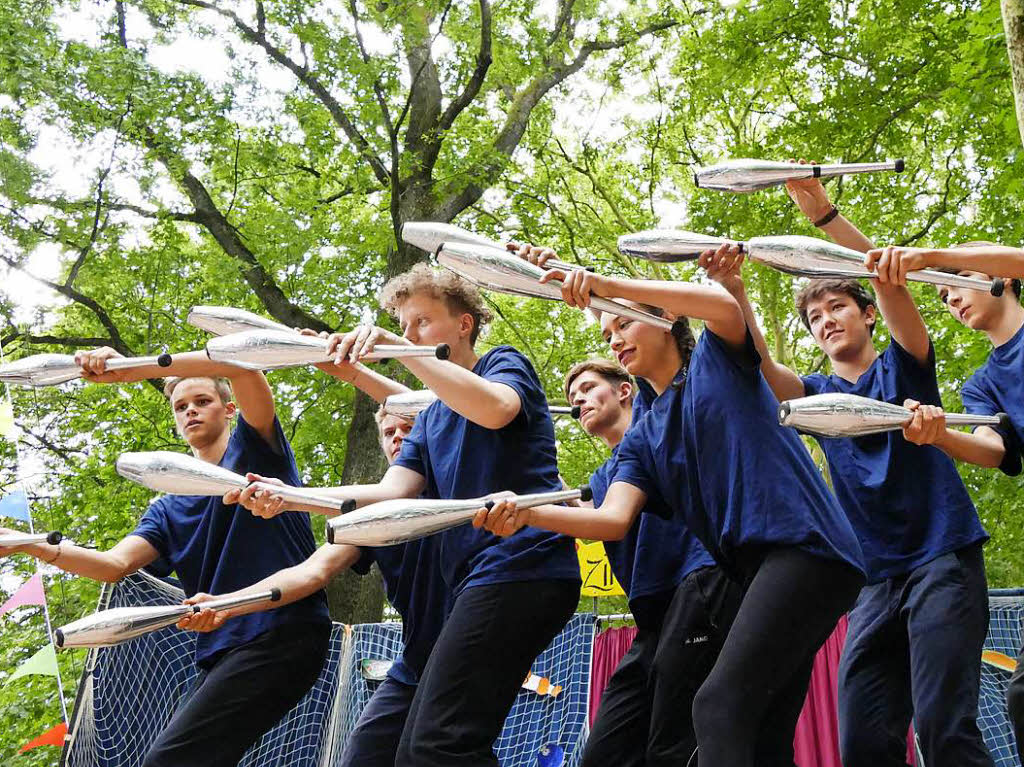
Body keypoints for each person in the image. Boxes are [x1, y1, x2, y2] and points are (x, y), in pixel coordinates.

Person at [475, 262, 865, 767]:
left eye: (623, 322)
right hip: (757, 574)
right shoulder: (642, 437)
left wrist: (604, 288)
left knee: (717, 706)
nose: (614, 339)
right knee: (763, 737)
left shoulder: (717, 359)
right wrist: (529, 515)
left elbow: (725, 307)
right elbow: (611, 519)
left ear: (666, 316)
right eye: (607, 332)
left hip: (807, 549)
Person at [699, 167, 994, 767]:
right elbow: (758, 369)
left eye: (839, 306)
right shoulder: (814, 398)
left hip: (943, 561)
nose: (828, 319)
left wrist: (824, 217)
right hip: (874, 582)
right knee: (863, 744)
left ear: (865, 316)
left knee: (943, 732)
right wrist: (735, 289)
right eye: (815, 317)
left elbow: (889, 280)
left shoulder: (903, 369)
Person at [233, 264, 581, 767]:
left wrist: (397, 354)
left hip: (525, 567)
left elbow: (496, 410)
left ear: (464, 325)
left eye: (422, 322)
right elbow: (389, 494)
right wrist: (290, 495)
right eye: (403, 326)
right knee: (415, 750)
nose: (409, 334)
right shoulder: (430, 416)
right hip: (481, 581)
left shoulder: (502, 364)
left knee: (439, 744)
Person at [0, 348, 336, 767]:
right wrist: (26, 543)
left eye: (202, 401)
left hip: (282, 630)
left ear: (230, 409)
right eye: (181, 406)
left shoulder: (257, 456)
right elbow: (112, 565)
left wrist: (128, 368)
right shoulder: (167, 509)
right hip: (221, 650)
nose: (191, 411)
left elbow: (239, 366)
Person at [183, 402, 450, 767]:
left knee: (434, 751)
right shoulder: (368, 519)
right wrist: (228, 603)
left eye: (408, 428)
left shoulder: (457, 487)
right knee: (363, 756)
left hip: (465, 650)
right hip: (416, 661)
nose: (398, 437)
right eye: (389, 432)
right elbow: (312, 572)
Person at [861, 241, 1024, 754]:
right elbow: (994, 450)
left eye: (957, 281)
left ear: (1005, 278)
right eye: (943, 293)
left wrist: (930, 258)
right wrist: (936, 434)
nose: (951, 297)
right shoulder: (982, 386)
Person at [565, 355, 742, 767]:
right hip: (651, 618)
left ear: (625, 390)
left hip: (697, 586)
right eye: (574, 399)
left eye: (589, 389)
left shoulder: (656, 421)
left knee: (674, 745)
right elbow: (591, 519)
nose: (579, 402)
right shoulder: (602, 479)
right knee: (604, 753)